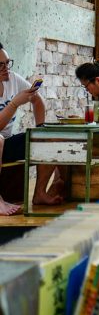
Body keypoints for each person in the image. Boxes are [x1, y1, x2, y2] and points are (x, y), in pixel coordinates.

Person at [0, 42, 46, 214]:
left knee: (46, 137)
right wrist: (13, 104)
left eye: (8, 62)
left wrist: (40, 127)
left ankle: (41, 193)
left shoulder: (12, 78)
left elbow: (36, 98)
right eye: (0, 65)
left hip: (6, 144)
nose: (6, 68)